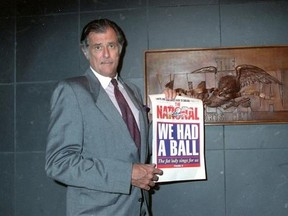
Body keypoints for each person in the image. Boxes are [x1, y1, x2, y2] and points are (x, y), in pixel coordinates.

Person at [45, 18, 176, 216]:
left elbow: (138, 148)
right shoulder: (72, 90)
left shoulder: (132, 91)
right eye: (98, 47)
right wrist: (127, 174)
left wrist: (167, 115)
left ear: (120, 49)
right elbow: (59, 163)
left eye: (111, 45)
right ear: (85, 51)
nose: (106, 54)